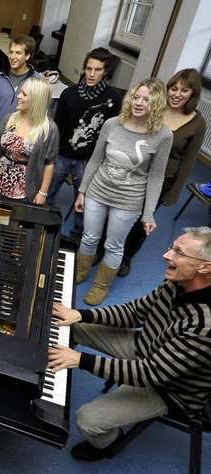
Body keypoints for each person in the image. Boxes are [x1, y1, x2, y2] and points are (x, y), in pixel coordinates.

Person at [48, 226, 211, 464]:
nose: (166, 255)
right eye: (171, 248)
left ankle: (110, 441)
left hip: (167, 388)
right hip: (147, 348)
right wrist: (81, 315)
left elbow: (151, 373)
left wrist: (80, 360)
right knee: (68, 324)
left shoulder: (204, 325)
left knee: (87, 420)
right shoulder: (177, 282)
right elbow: (135, 312)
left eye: (178, 252)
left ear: (205, 267)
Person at [74, 78, 173, 305]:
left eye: (147, 99)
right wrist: (83, 191)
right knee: (89, 237)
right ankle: (81, 272)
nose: (139, 103)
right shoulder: (112, 124)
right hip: (98, 191)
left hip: (128, 200)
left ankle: (101, 286)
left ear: (156, 104)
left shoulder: (163, 135)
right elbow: (96, 160)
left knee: (113, 245)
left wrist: (148, 213)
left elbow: (156, 176)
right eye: (136, 97)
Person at [119, 69, 207, 276]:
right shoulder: (155, 108)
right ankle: (104, 249)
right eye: (173, 88)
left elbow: (188, 161)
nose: (177, 94)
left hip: (163, 180)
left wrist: (174, 191)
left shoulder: (197, 123)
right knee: (120, 212)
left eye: (184, 90)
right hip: (136, 172)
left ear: (193, 94)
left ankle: (127, 257)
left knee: (142, 220)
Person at [46, 48, 122, 240]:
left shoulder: (113, 98)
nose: (91, 74)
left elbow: (111, 134)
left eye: (97, 70)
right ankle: (44, 227)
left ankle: (77, 238)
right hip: (62, 155)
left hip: (88, 160)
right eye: (88, 69)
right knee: (47, 193)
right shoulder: (69, 94)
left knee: (85, 203)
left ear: (106, 71)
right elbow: (58, 126)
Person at [0, 77, 59, 203]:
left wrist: (43, 192)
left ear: (36, 100)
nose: (18, 96)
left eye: (24, 94)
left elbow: (49, 163)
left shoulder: (49, 129)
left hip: (25, 192)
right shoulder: (8, 119)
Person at [0, 34, 45, 124]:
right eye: (11, 52)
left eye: (18, 53)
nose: (12, 57)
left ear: (27, 56)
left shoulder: (39, 81)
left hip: (26, 135)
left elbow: (42, 114)